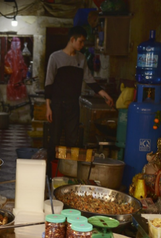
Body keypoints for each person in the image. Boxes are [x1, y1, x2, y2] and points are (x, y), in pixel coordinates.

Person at [44, 26, 114, 176]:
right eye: (81, 42)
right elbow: (48, 83)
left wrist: (104, 95)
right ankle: (50, 174)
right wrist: (48, 107)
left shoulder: (81, 58)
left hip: (73, 105)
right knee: (54, 140)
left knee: (72, 141)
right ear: (72, 39)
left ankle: (68, 174)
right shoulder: (55, 57)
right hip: (56, 105)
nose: (82, 45)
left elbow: (89, 80)